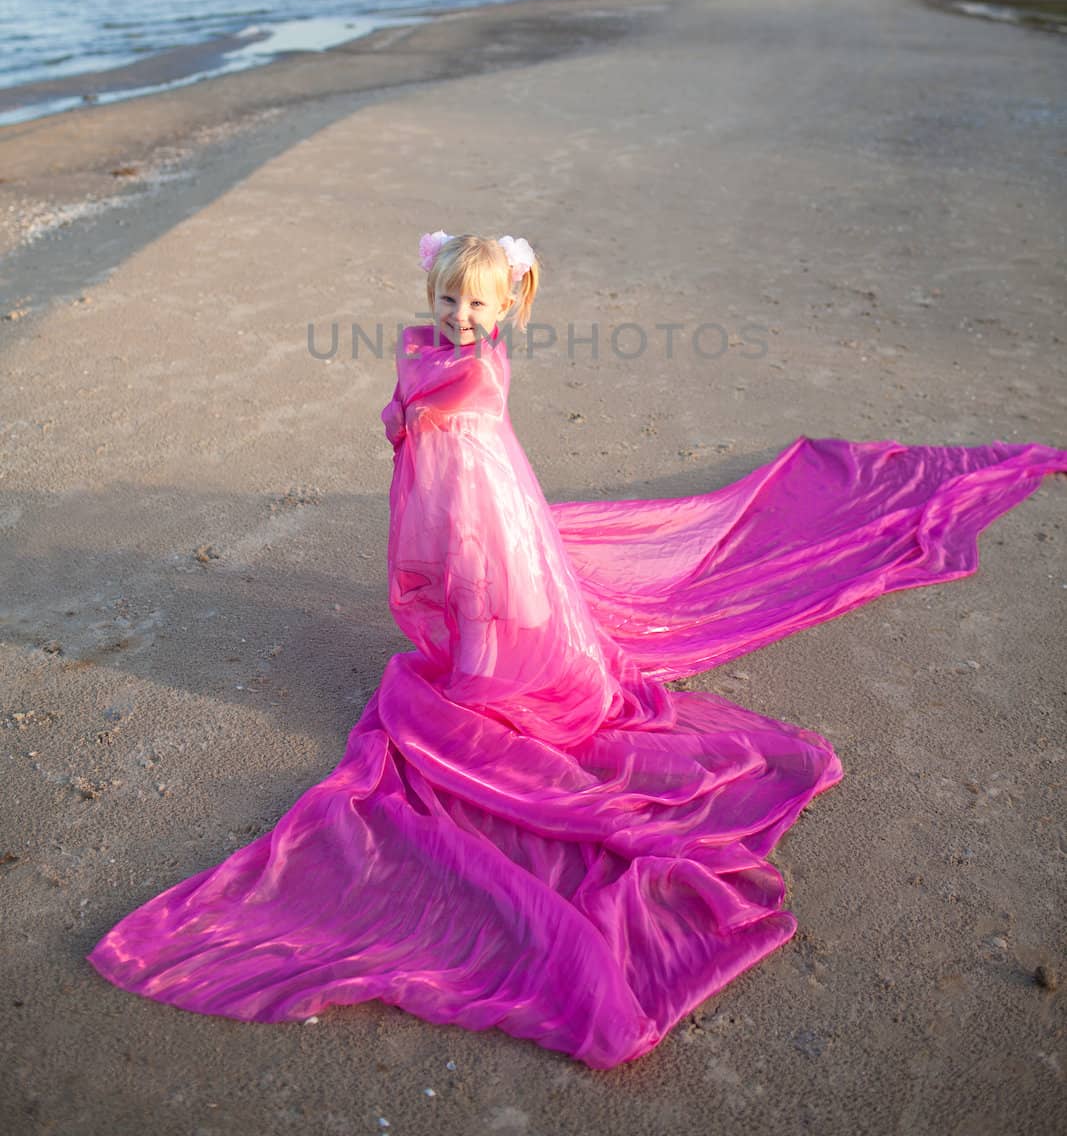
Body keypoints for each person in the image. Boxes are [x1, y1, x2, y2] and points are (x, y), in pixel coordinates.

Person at [86, 229, 1067, 1070]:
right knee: (458, 583)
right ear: (428, 291)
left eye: (478, 301)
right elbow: (406, 395)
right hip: (444, 498)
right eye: (446, 298)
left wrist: (416, 391)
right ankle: (477, 661)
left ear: (505, 305)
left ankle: (485, 683)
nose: (459, 315)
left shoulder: (469, 360)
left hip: (481, 510)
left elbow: (427, 396)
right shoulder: (430, 343)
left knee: (487, 593)